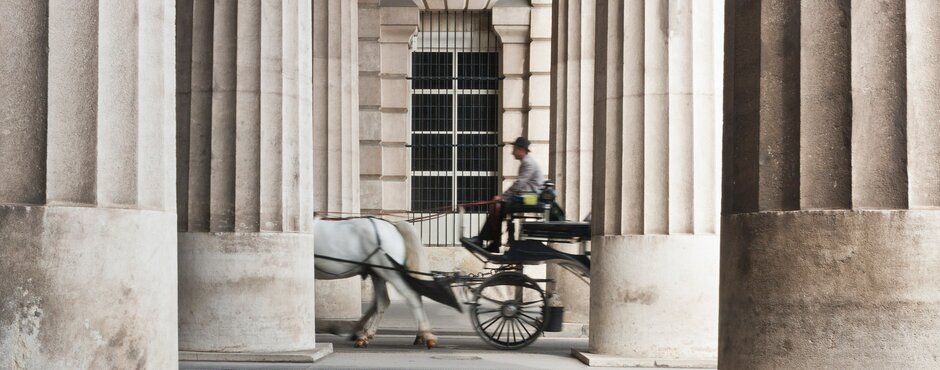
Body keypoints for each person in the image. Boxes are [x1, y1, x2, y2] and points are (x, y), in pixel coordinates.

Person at [462, 136, 545, 252]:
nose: (512, 153)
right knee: (500, 206)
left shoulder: (528, 163)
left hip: (532, 198)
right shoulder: (527, 162)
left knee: (500, 205)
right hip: (530, 197)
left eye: (514, 149)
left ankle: (487, 240)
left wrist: (502, 197)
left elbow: (519, 184)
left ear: (520, 149)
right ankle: (493, 242)